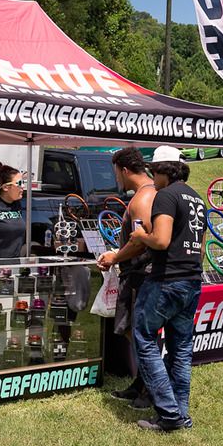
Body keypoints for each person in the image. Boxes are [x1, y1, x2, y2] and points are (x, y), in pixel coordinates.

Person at [129, 145, 206, 431]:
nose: (152, 176)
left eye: (154, 171)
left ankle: (169, 413)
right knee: (181, 349)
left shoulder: (165, 196)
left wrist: (141, 235)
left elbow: (161, 241)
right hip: (192, 280)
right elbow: (200, 250)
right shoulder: (197, 198)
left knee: (144, 338)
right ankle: (181, 413)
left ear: (164, 170)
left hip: (166, 280)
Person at [96, 147, 156, 405]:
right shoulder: (148, 193)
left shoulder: (143, 198)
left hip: (139, 276)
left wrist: (115, 257)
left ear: (124, 170)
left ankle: (150, 391)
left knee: (139, 334)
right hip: (140, 274)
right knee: (134, 332)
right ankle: (140, 384)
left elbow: (140, 242)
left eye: (116, 173)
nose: (116, 179)